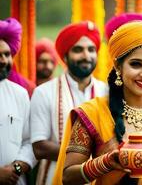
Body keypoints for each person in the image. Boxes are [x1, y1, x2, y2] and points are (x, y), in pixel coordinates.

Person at [53, 19, 142, 185]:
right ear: (118, 66)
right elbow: (68, 177)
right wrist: (105, 162)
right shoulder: (92, 112)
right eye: (136, 64)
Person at [30, 21, 108, 185]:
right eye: (78, 50)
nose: (86, 56)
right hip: (53, 176)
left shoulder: (107, 92)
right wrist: (86, 156)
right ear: (65, 56)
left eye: (91, 49)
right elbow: (39, 147)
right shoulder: (44, 92)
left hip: (99, 177)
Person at [0, 17, 36, 185]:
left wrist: (16, 169)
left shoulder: (20, 94)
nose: (3, 60)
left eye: (6, 54)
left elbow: (29, 142)